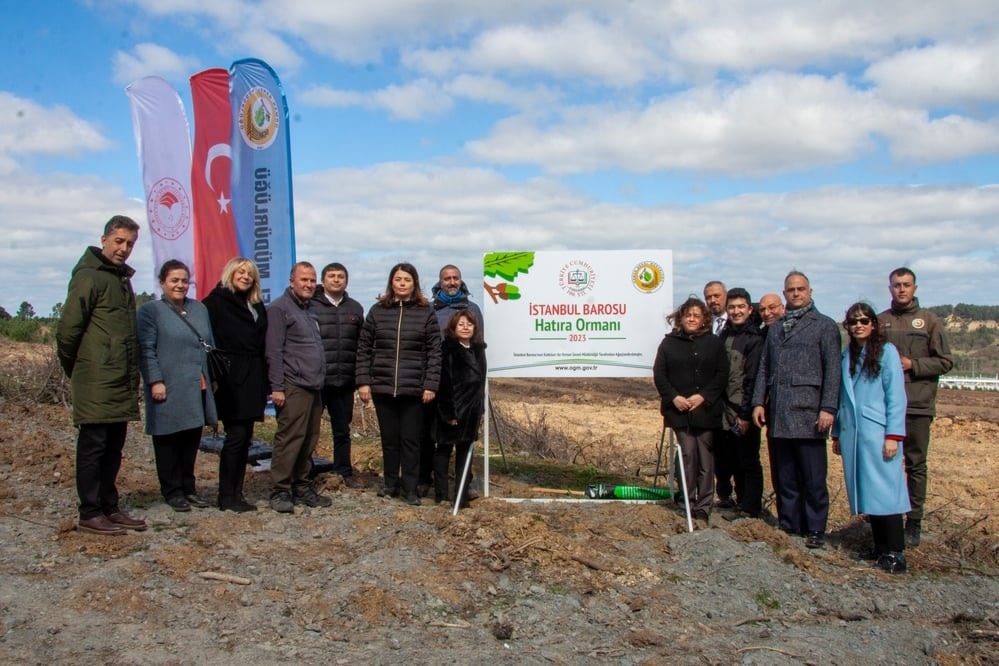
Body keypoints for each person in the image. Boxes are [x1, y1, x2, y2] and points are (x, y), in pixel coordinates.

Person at [56, 215, 147, 535]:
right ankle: (90, 511)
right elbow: (67, 331)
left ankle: (109, 506)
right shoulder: (89, 277)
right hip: (97, 378)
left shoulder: (120, 278)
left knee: (113, 447)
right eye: (119, 241)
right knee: (93, 447)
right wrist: (82, 369)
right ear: (104, 239)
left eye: (130, 244)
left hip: (118, 378)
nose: (124, 249)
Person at [752, 272, 841, 549]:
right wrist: (758, 402)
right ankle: (789, 524)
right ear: (784, 294)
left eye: (801, 289)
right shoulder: (776, 328)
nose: (796, 293)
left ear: (810, 291)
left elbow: (833, 370)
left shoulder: (824, 325)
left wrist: (828, 407)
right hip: (779, 411)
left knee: (813, 477)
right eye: (791, 290)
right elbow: (764, 367)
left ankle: (815, 528)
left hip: (809, 412)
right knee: (785, 475)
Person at [878, 267, 953, 547]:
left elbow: (945, 361)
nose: (901, 289)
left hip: (917, 405)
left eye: (906, 285)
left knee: (916, 465)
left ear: (915, 288)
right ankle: (886, 516)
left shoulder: (929, 321)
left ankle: (914, 521)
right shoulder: (881, 321)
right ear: (890, 288)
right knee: (886, 464)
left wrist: (914, 364)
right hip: (885, 407)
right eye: (897, 285)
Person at [832, 302, 909, 573]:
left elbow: (896, 396)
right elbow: (842, 399)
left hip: (878, 432)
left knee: (887, 491)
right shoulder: (847, 356)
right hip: (855, 434)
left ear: (873, 324)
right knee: (869, 491)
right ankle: (880, 546)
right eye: (853, 322)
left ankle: (895, 552)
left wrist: (893, 435)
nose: (859, 326)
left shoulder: (887, 353)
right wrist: (837, 433)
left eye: (864, 321)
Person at [356, 262, 441, 506]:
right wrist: (363, 382)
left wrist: (430, 384)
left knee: (411, 441)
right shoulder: (377, 311)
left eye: (407, 280)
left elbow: (435, 352)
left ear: (415, 284)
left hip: (414, 389)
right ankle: (390, 484)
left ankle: (410, 489)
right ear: (391, 283)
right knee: (390, 440)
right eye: (398, 279)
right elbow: (364, 348)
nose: (402, 284)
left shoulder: (425, 312)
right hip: (383, 387)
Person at [137, 260, 218, 512]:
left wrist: (212, 378)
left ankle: (188, 488)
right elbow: (146, 349)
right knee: (168, 439)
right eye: (174, 280)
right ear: (162, 283)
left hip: (196, 385)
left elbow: (210, 345)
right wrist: (155, 380)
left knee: (190, 439)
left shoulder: (199, 309)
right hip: (168, 385)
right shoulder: (150, 311)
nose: (180, 285)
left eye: (184, 280)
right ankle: (172, 491)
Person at [653, 297, 729, 522]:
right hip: (679, 412)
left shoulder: (714, 343)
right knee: (688, 455)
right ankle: (688, 500)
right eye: (688, 315)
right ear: (681, 318)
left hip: (706, 411)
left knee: (706, 458)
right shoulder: (668, 343)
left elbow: (722, 374)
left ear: (704, 319)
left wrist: (704, 396)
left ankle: (704, 506)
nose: (692, 319)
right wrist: (674, 397)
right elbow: (660, 374)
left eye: (697, 315)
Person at [203, 257, 269, 512]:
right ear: (230, 274)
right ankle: (226, 495)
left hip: (254, 377)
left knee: (245, 438)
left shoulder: (256, 305)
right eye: (240, 272)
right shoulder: (216, 302)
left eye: (250, 273)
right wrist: (213, 375)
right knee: (236, 436)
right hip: (231, 377)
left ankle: (236, 492)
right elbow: (207, 340)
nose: (245, 277)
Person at [265, 262, 331, 513]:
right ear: (292, 281)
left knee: (309, 438)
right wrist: (277, 387)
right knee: (290, 438)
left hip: (314, 385)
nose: (309, 284)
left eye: (312, 280)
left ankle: (302, 486)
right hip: (294, 385)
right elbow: (273, 351)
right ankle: (280, 490)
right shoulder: (279, 309)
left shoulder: (309, 309)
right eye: (304, 280)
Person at [419, 264, 485, 496]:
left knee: (465, 441)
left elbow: (477, 344)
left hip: (466, 390)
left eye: (455, 278)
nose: (451, 282)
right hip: (434, 381)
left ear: (461, 280)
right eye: (447, 278)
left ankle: (465, 486)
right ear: (440, 282)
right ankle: (428, 482)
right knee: (432, 438)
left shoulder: (473, 309)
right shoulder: (430, 309)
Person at [312, 262, 365, 488]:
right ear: (323, 281)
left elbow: (362, 346)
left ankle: (343, 471)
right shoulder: (311, 306)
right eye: (331, 276)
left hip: (344, 380)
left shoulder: (355, 308)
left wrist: (360, 379)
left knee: (342, 430)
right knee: (310, 430)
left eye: (340, 276)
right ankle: (305, 472)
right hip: (317, 381)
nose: (336, 280)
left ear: (346, 281)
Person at [717, 287, 765, 517]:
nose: (736, 311)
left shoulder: (754, 339)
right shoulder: (724, 335)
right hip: (723, 410)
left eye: (740, 307)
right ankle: (735, 501)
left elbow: (753, 378)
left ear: (749, 309)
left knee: (748, 461)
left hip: (742, 412)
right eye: (732, 307)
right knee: (729, 459)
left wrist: (745, 414)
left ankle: (750, 507)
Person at [434, 310, 487, 507]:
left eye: (469, 324)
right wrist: (449, 413)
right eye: (461, 324)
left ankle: (461, 497)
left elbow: (481, 382)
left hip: (471, 412)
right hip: (452, 410)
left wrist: (481, 409)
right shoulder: (447, 349)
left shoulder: (478, 350)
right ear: (453, 327)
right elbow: (444, 382)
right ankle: (441, 495)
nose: (465, 327)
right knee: (444, 451)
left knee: (466, 454)